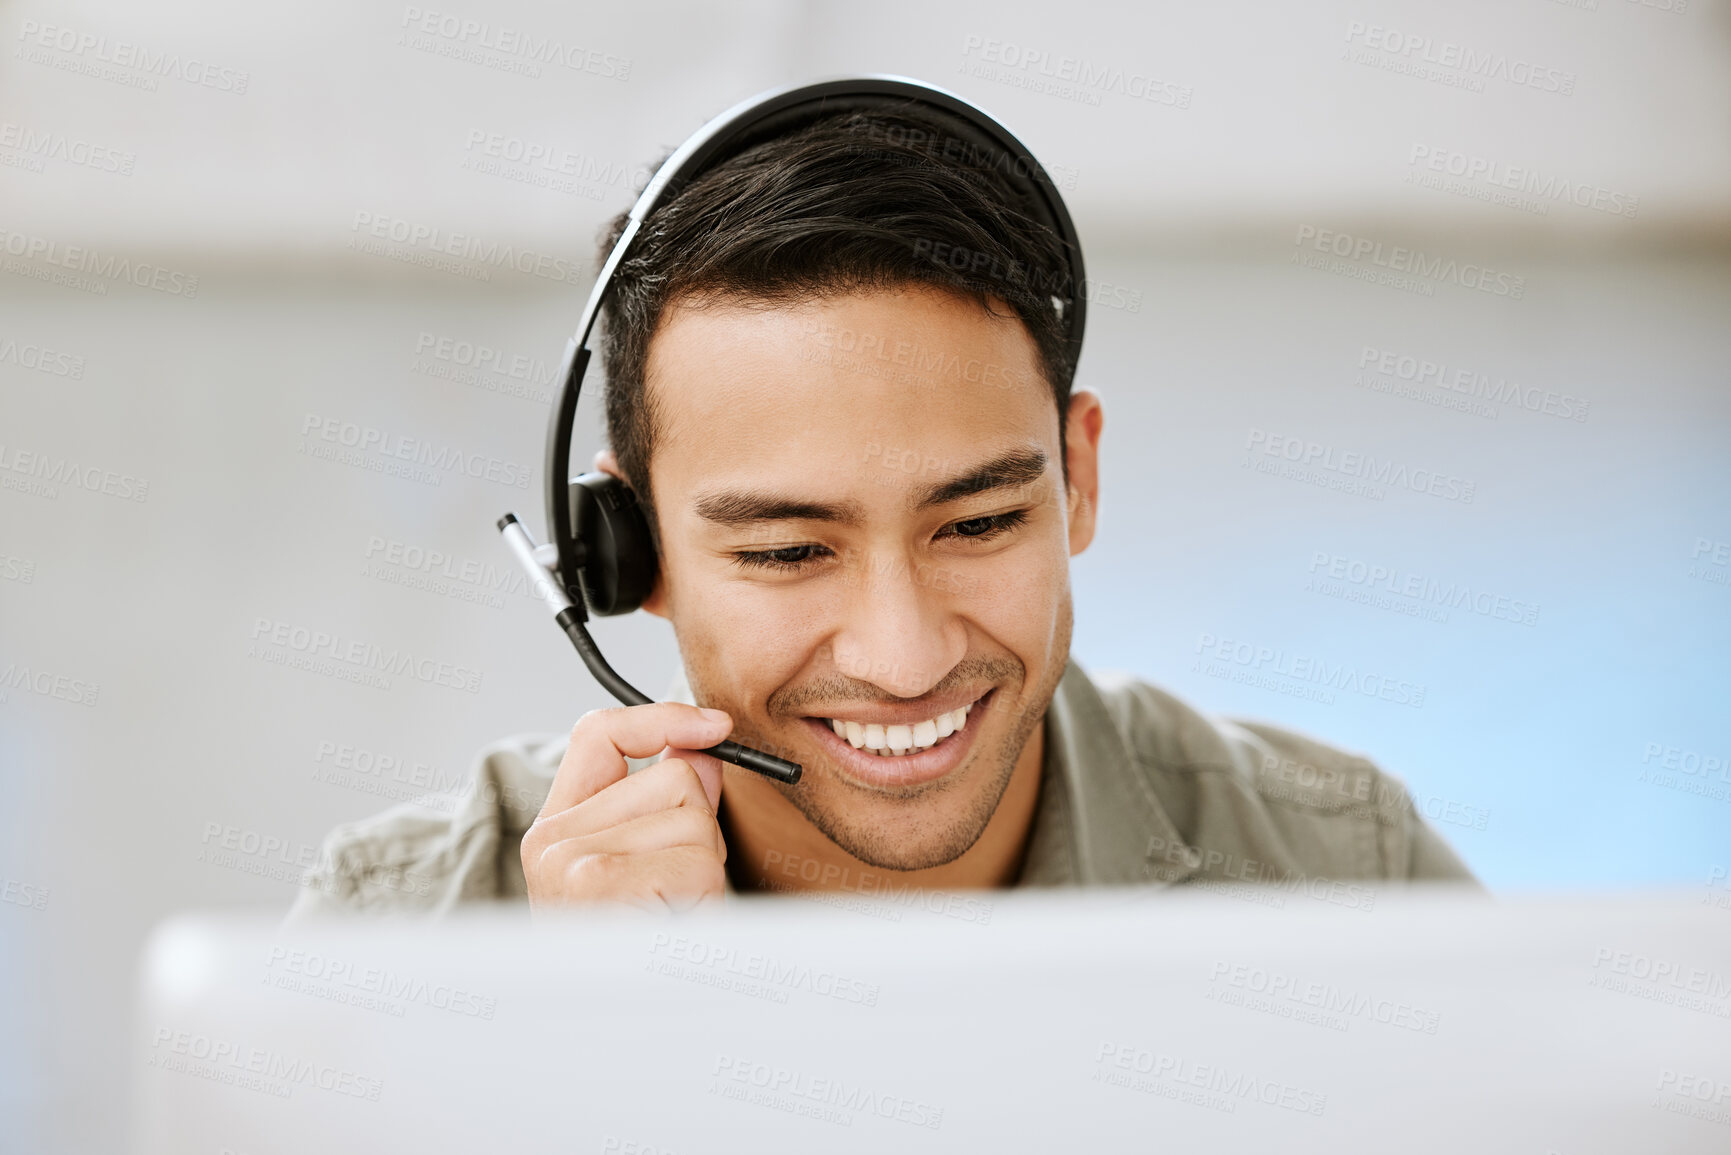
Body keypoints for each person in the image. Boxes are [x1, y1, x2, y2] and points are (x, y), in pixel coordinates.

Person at [288, 99, 1476, 921]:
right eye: (791, 548)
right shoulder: (397, 931)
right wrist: (602, 1057)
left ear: (1080, 479)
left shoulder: (1343, 869)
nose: (904, 658)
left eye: (976, 525)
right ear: (628, 551)